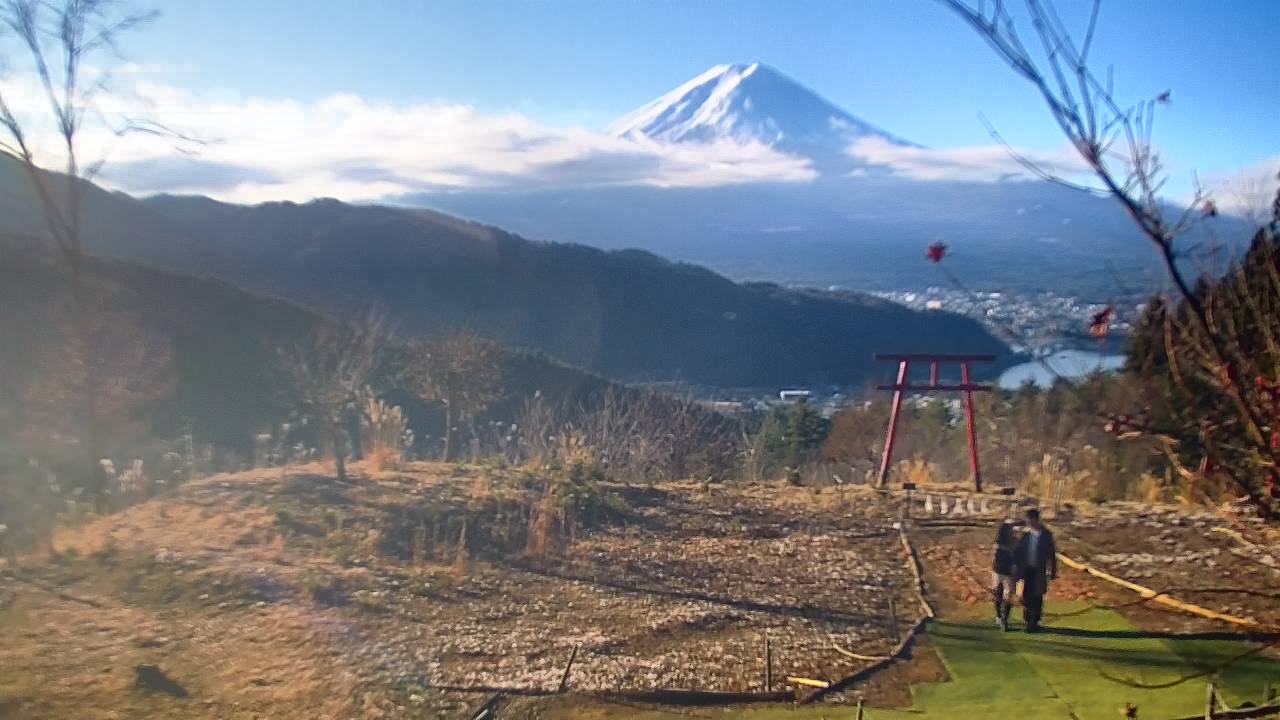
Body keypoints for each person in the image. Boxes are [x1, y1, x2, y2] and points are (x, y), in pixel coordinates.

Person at [1014, 508, 1057, 633]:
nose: (1028, 522)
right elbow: (1017, 552)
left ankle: (1035, 621)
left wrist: (1052, 570)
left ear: (1036, 519)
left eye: (1030, 519)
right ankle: (1028, 621)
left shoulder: (1045, 535)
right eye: (1027, 519)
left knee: (1037, 596)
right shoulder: (1025, 535)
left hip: (1039, 570)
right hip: (1026, 570)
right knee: (1026, 595)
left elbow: (1051, 554)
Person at [991, 521, 1017, 631]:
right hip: (998, 571)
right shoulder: (998, 542)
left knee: (1008, 595)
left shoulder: (1014, 542)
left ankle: (1004, 619)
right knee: (998, 593)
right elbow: (994, 556)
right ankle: (998, 615)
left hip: (1009, 573)